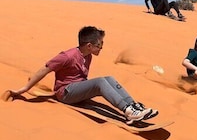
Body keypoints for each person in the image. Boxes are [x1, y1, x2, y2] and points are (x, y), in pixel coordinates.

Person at [8, 26, 158, 124]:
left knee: (109, 78)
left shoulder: (88, 55)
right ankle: (128, 111)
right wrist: (24, 89)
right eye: (100, 45)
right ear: (89, 46)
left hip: (78, 90)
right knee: (100, 83)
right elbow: (45, 69)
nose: (101, 48)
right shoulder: (67, 56)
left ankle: (134, 106)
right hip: (65, 93)